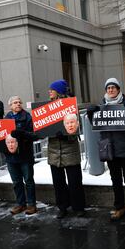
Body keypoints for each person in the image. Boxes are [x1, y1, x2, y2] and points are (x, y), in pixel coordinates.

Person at [86, 78, 125, 223]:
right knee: (115, 180)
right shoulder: (102, 106)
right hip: (109, 149)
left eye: (113, 87)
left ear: (118, 89)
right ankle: (119, 207)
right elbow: (97, 125)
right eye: (108, 88)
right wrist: (91, 114)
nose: (110, 90)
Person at [47, 79, 86, 219]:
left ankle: (79, 207)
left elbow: (78, 127)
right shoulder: (46, 109)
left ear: (59, 91)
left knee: (75, 181)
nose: (49, 91)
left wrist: (67, 135)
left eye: (52, 89)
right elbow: (42, 128)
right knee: (58, 183)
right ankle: (62, 207)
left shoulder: (71, 106)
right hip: (53, 152)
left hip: (70, 151)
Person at [4, 96, 38, 215]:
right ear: (10, 106)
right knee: (16, 182)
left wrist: (22, 134)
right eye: (15, 102)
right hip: (11, 157)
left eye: (19, 102)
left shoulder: (27, 117)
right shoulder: (6, 119)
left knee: (28, 181)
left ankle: (31, 205)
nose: (18, 104)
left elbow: (35, 135)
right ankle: (20, 204)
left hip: (25, 156)